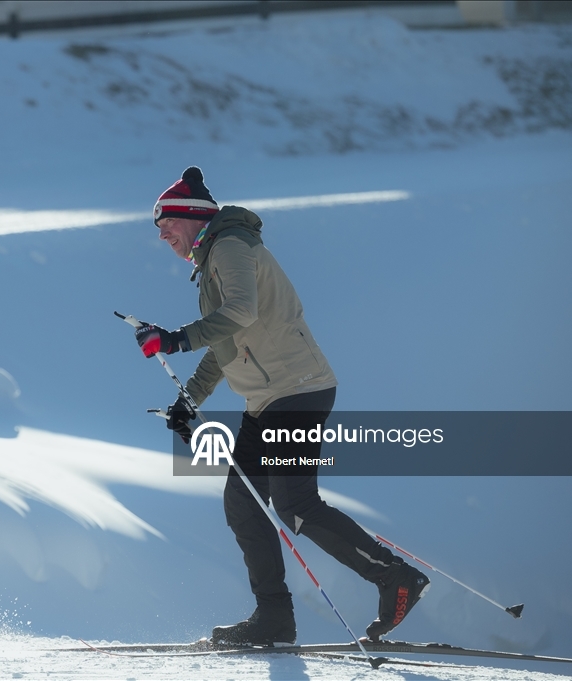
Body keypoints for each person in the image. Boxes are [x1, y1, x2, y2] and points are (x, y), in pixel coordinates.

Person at [135, 166, 430, 647]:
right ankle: (274, 618)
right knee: (245, 503)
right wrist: (189, 399)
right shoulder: (212, 258)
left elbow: (239, 314)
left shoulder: (228, 247)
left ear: (193, 216)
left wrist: (176, 339)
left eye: (166, 220)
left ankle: (394, 578)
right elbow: (227, 341)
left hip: (297, 392)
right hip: (269, 401)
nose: (162, 231)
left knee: (296, 507)